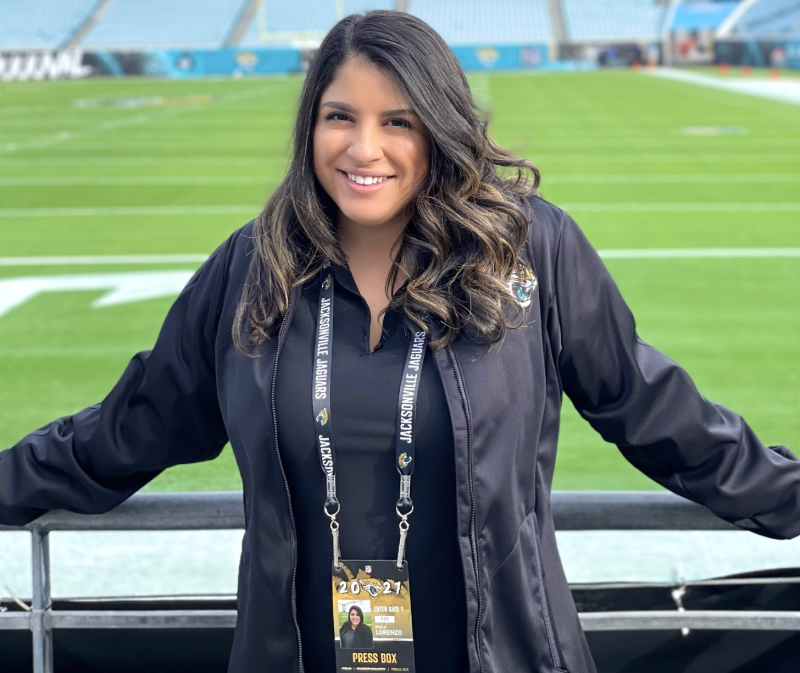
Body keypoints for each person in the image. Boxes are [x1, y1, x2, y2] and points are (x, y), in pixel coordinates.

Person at [0, 10, 798, 673]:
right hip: (302, 655)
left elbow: (650, 408)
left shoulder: (529, 251)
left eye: (398, 122)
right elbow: (133, 424)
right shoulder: (253, 265)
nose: (364, 149)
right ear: (311, 123)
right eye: (339, 116)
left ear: (439, 129)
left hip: (501, 655)